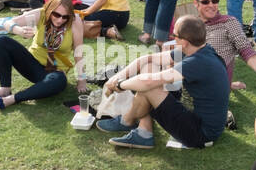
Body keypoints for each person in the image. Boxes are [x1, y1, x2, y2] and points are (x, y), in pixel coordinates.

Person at [96, 14, 230, 150]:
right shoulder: (196, 49)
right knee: (148, 68)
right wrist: (115, 78)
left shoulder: (197, 62)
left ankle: (128, 121)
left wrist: (119, 85)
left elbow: (148, 82)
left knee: (149, 86)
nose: (172, 38)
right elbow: (147, 59)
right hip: (191, 114)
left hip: (200, 134)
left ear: (184, 42)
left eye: (175, 36)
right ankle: (142, 131)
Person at [0, 0, 87, 109]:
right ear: (50, 10)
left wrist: (82, 80)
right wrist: (18, 30)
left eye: (65, 17)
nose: (60, 20)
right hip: (32, 64)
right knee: (2, 41)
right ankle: (5, 88)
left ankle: (13, 98)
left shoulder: (75, 22)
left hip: (54, 71)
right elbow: (7, 22)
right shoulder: (41, 14)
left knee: (60, 81)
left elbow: (78, 53)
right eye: (56, 15)